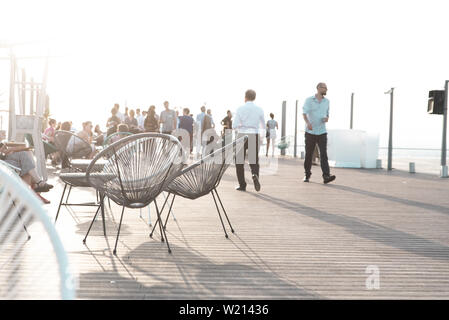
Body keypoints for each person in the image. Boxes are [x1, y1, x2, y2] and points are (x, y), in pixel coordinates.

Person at [302, 82, 336, 184]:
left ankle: (326, 176)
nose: (326, 89)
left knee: (324, 154)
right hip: (310, 132)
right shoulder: (309, 100)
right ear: (318, 88)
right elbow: (304, 113)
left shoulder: (327, 102)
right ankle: (307, 175)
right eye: (324, 88)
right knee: (309, 155)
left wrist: (327, 118)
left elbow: (327, 114)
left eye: (326, 88)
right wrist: (308, 123)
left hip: (322, 131)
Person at [233, 89, 265, 192]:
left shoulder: (240, 109)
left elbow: (234, 125)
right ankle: (255, 175)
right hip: (254, 135)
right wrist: (261, 137)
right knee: (254, 160)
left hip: (242, 134)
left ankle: (242, 185)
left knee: (239, 161)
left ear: (245, 97)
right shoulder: (259, 109)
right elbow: (263, 125)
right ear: (254, 98)